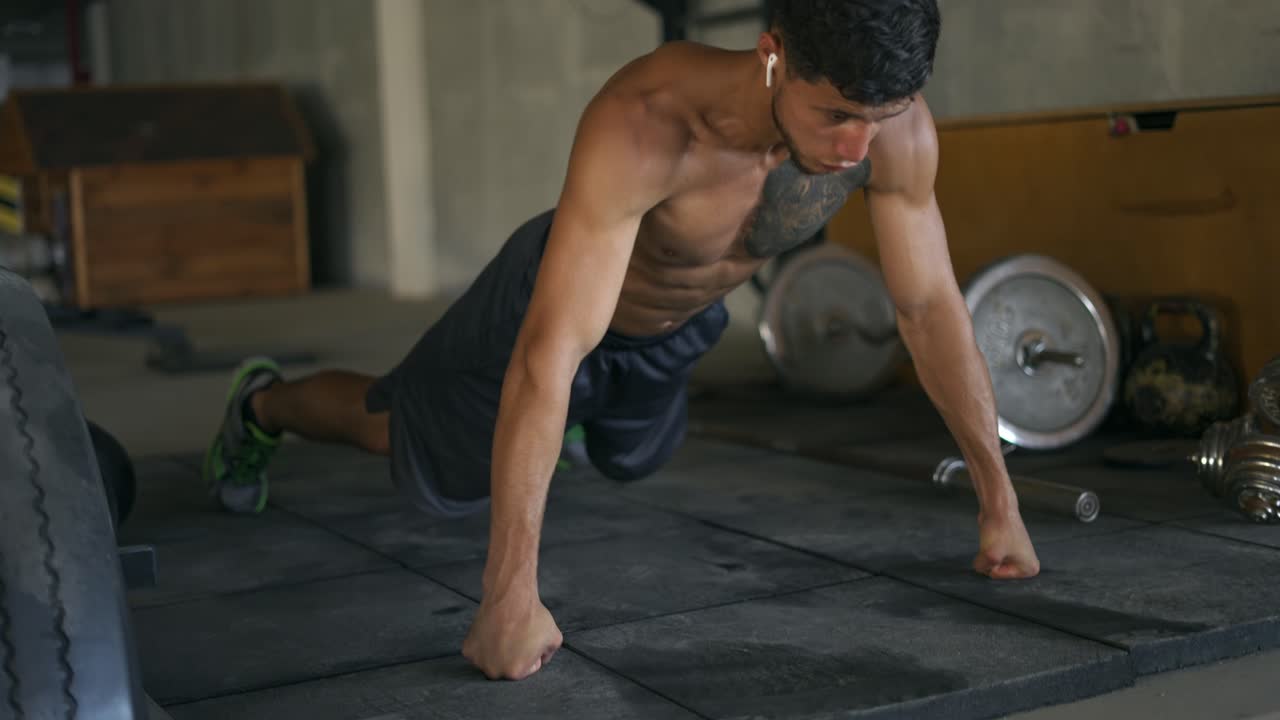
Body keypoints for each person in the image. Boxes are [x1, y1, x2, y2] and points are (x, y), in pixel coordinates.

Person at [203, 0, 1041, 682]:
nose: (857, 148)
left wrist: (999, 503)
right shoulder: (648, 121)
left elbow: (929, 308)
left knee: (633, 456)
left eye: (880, 117)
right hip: (555, 305)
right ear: (774, 55)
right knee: (402, 435)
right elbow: (548, 350)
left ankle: (555, 433)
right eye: (836, 115)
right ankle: (263, 406)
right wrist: (508, 596)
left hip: (672, 332)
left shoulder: (894, 132)